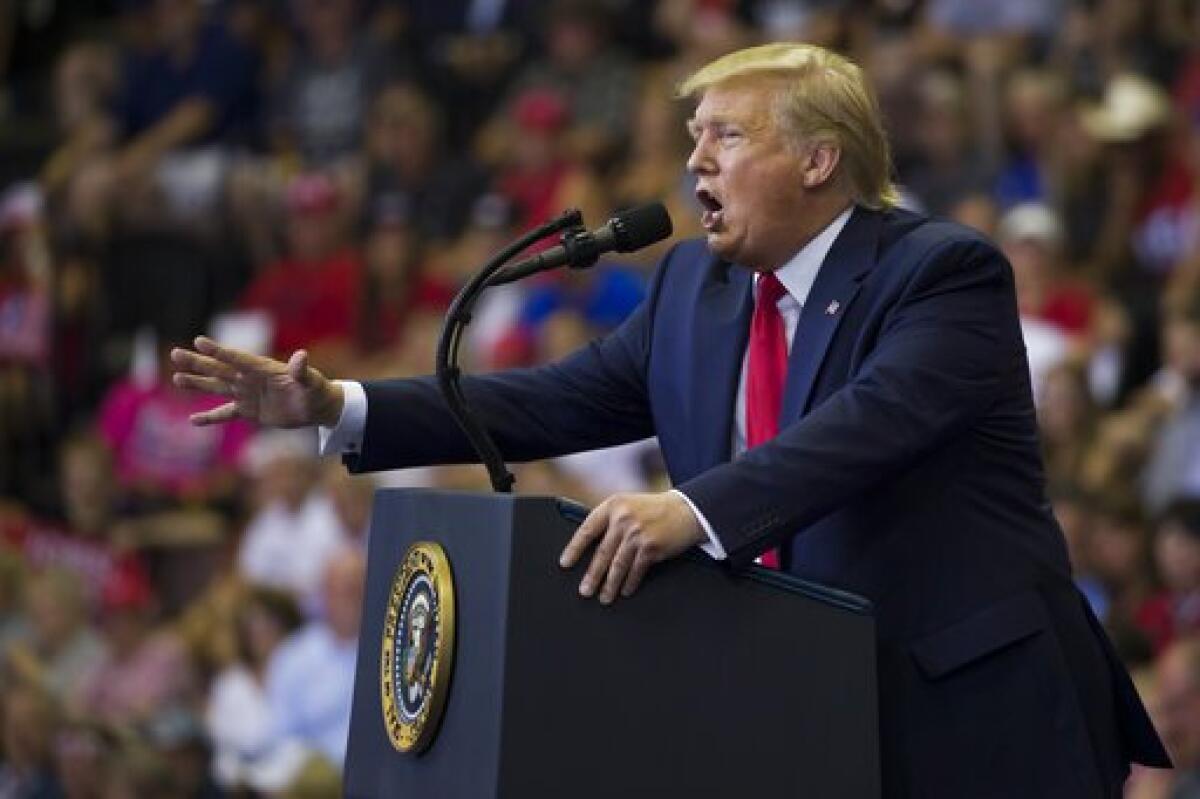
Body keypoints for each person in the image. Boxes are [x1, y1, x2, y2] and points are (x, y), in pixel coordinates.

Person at [172, 43, 1170, 796]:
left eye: (725, 134)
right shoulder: (698, 283)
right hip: (797, 708)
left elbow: (865, 428)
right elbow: (556, 399)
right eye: (693, 132)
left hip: (972, 713)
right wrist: (335, 404)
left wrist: (688, 511)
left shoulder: (941, 273)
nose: (695, 157)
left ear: (820, 159)